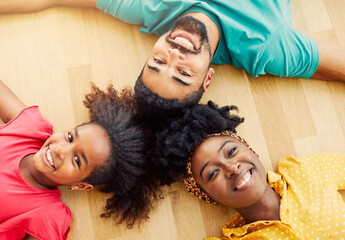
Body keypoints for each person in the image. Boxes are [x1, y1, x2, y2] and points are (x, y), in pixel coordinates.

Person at [1, 0, 345, 111]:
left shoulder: (147, 9)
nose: (176, 54)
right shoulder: (266, 47)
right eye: (183, 73)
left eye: (159, 62)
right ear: (208, 78)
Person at [152, 102, 345, 239]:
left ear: (249, 148)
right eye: (212, 173)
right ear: (207, 196)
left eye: (232, 151)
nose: (231, 168)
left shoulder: (303, 172)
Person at [0, 80, 157, 239]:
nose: (60, 150)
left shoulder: (47, 212)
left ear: (81, 185)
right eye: (69, 137)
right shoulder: (31, 128)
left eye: (76, 160)